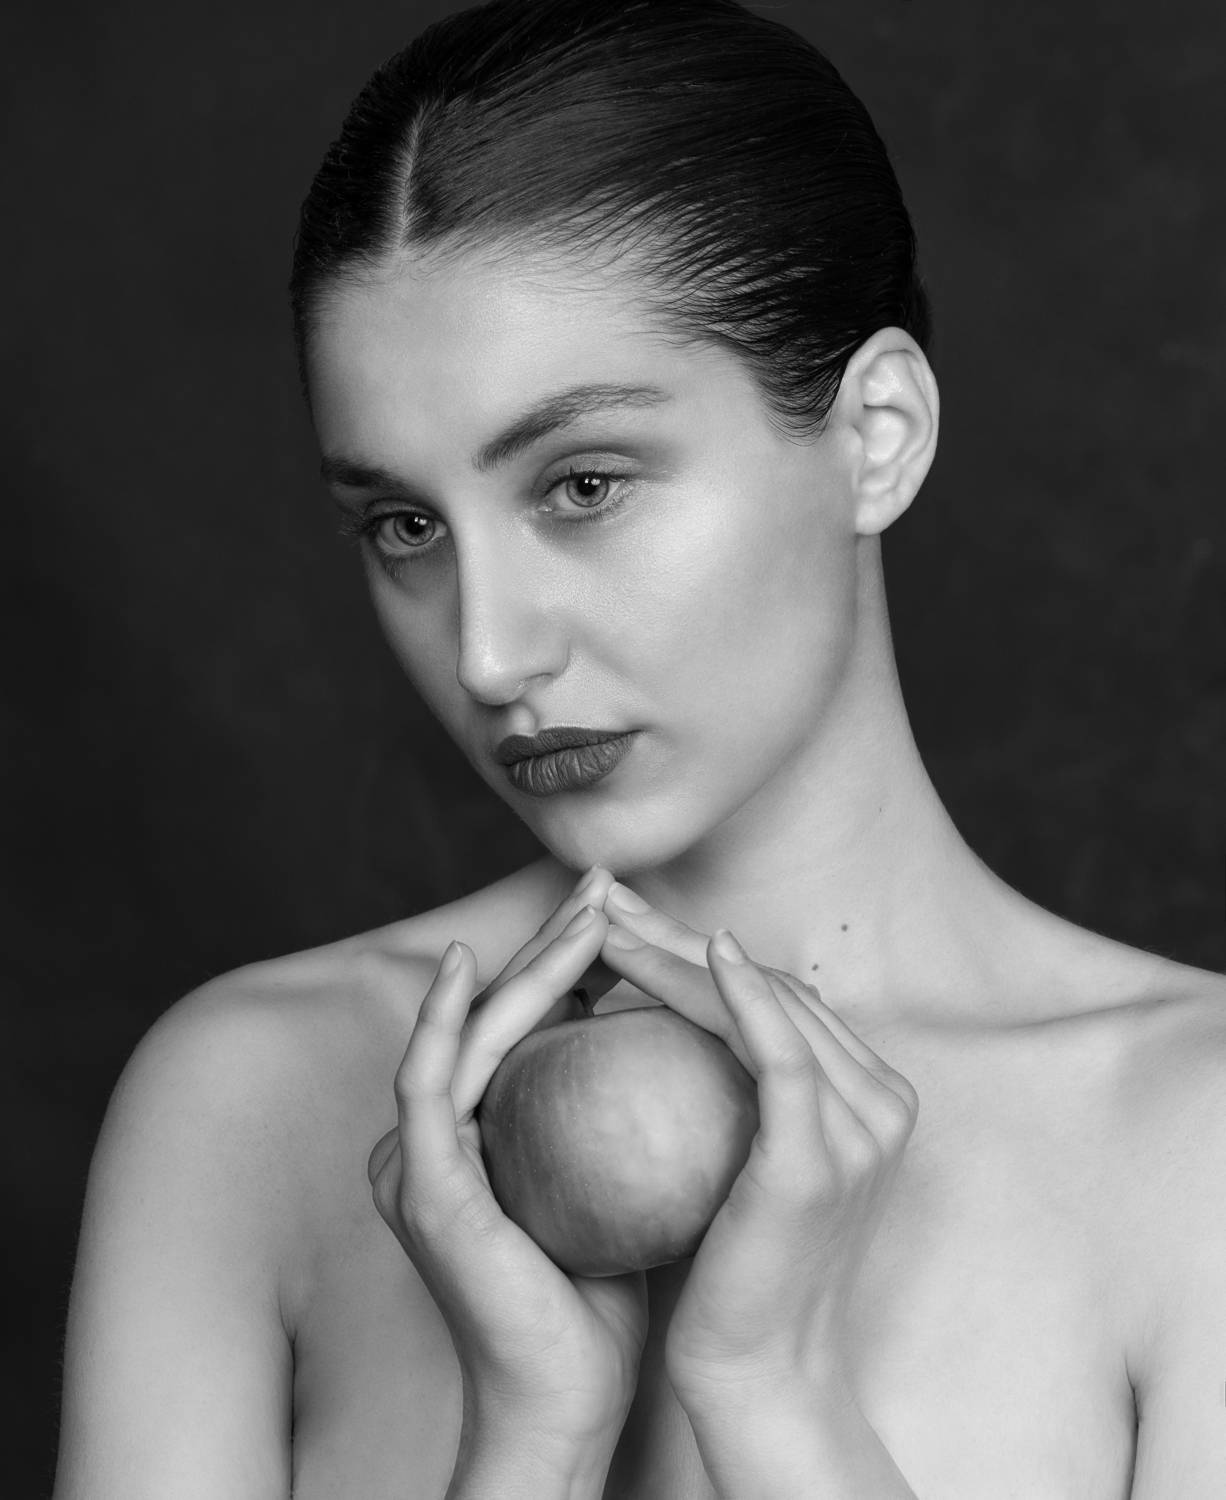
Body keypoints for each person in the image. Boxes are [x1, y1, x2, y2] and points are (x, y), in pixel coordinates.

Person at [52, 1, 1225, 1496]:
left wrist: (766, 1395)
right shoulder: (250, 1110)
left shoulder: (1193, 1148)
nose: (487, 653)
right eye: (403, 526)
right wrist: (531, 1437)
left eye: (583, 485)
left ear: (875, 433)